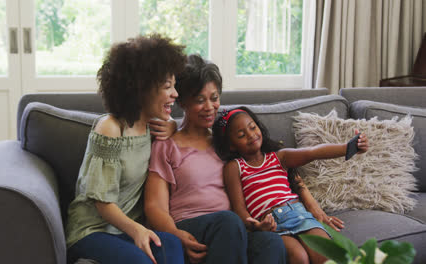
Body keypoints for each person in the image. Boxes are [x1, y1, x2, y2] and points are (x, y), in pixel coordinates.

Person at [144, 54, 286, 264]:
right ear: (182, 101)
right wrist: (175, 234)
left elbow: (265, 165)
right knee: (227, 222)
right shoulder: (167, 144)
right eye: (200, 100)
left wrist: (256, 222)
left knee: (270, 242)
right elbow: (154, 206)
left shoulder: (226, 141)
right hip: (191, 226)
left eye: (215, 98)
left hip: (233, 229)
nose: (210, 107)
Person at [65, 34, 187, 264]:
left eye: (175, 86)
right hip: (92, 231)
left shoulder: (153, 126)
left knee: (170, 244)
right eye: (167, 86)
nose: (175, 94)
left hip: (124, 232)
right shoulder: (111, 128)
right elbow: (102, 202)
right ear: (142, 89)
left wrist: (173, 128)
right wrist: (137, 230)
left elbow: (189, 137)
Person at [211, 106, 369, 264]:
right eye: (241, 135)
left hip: (299, 213)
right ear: (231, 145)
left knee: (327, 256)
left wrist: (348, 148)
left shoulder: (280, 157)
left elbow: (312, 152)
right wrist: (257, 226)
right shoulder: (234, 167)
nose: (251, 135)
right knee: (299, 258)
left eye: (253, 127)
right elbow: (239, 210)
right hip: (272, 224)